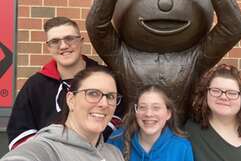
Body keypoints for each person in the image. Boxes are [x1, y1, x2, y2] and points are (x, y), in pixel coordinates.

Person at [7, 17, 123, 150]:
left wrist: (86, 143)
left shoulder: (105, 78)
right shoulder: (35, 85)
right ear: (48, 47)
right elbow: (18, 132)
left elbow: (118, 116)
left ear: (81, 41)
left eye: (69, 38)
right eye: (55, 41)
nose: (63, 46)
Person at [1, 66, 125, 161]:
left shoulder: (114, 154)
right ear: (71, 100)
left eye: (110, 96)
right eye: (92, 93)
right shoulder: (47, 149)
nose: (104, 103)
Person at [107, 85, 194, 161]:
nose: (148, 114)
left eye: (156, 108)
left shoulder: (182, 147)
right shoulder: (116, 140)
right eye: (142, 107)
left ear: (168, 114)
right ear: (136, 111)